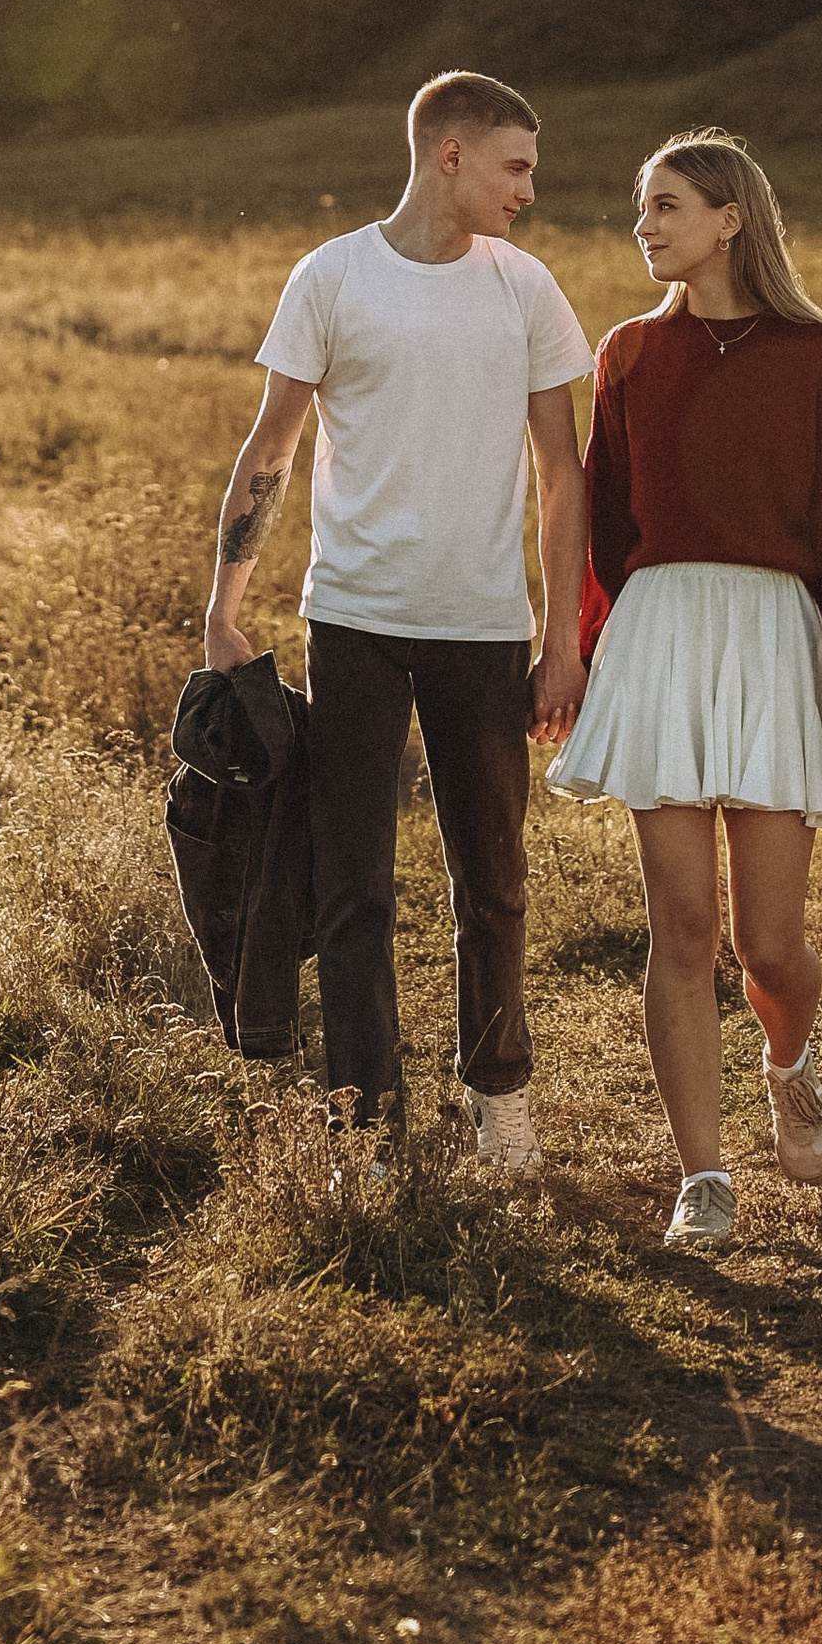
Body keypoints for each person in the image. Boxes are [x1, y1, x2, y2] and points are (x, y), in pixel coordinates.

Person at [203, 72, 593, 1170]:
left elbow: (560, 474)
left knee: (494, 882)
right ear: (451, 155)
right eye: (516, 165)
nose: (530, 188)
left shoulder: (525, 290)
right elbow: (269, 452)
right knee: (351, 888)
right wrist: (221, 612)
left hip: (482, 628)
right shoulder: (331, 278)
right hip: (355, 623)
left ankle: (499, 1094)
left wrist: (560, 641)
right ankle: (365, 1123)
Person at [548, 128, 822, 1253]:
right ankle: (702, 1175)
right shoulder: (627, 356)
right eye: (640, 209)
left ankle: (787, 1063)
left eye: (664, 207)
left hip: (770, 642)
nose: (642, 228)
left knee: (770, 948)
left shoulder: (815, 355)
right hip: (659, 639)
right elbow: (605, 537)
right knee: (681, 925)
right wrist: (583, 666)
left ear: (729, 217)